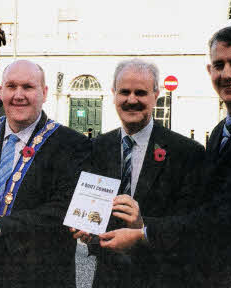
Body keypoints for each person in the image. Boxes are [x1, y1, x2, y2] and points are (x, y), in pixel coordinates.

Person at [100, 26, 231, 287]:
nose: (227, 74)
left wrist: (144, 231)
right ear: (210, 71)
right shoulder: (223, 129)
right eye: (219, 65)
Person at [0, 60, 91, 288]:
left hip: (38, 274)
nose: (18, 95)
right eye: (11, 86)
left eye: (28, 87)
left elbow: (65, 208)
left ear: (44, 93)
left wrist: (2, 225)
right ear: (1, 91)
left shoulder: (72, 144)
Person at [73, 59, 205, 288]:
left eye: (140, 92)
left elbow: (192, 224)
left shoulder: (187, 153)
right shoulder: (97, 147)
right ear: (113, 94)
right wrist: (88, 231)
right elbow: (93, 207)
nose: (131, 100)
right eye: (124, 92)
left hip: (162, 277)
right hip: (107, 278)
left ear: (156, 95)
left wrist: (142, 226)